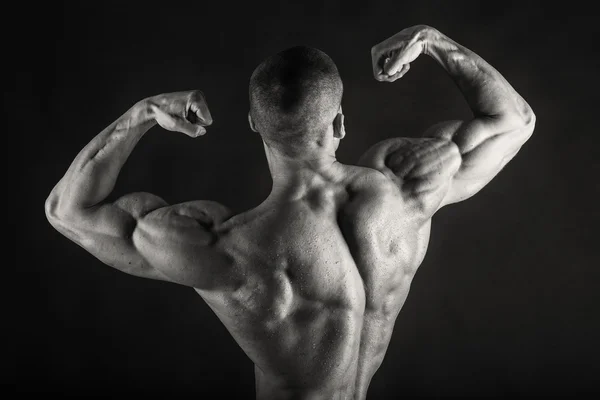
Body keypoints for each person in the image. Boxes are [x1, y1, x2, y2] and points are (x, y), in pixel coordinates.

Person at [45, 25, 535, 399]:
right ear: (340, 121)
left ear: (255, 124)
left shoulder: (229, 249)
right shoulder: (406, 191)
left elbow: (67, 209)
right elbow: (514, 120)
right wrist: (431, 40)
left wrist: (143, 113)